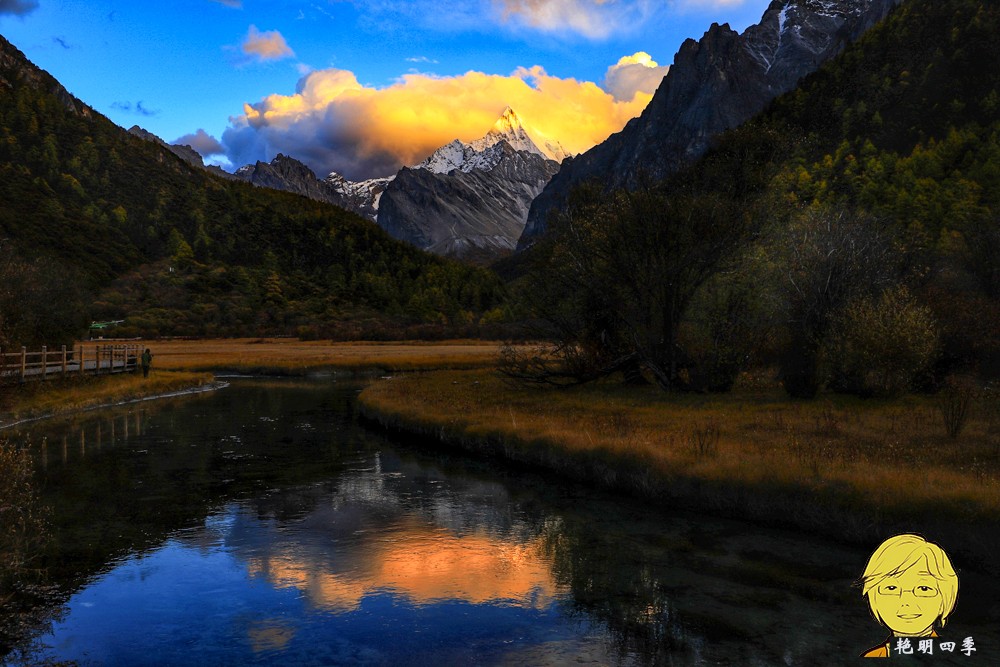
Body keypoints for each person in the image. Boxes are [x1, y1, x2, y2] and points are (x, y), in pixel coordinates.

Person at [859, 534, 959, 658]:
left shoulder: (953, 657)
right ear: (873, 597)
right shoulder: (873, 657)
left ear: (946, 597)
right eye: (891, 588)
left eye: (923, 588)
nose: (906, 601)